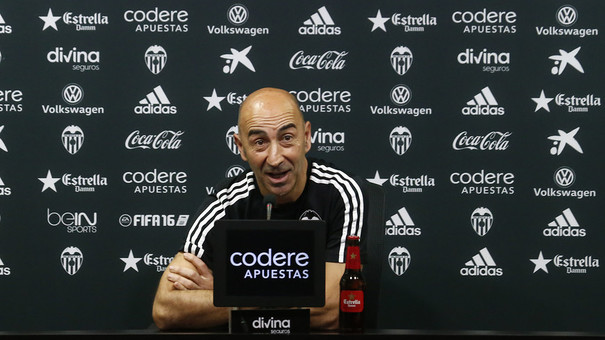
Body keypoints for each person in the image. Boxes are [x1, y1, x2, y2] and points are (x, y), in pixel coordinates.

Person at [152, 87, 368, 331]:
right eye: (259, 142)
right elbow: (166, 308)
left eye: (287, 138)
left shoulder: (341, 192)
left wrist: (230, 293)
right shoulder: (225, 202)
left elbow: (333, 309)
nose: (275, 158)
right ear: (240, 146)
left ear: (306, 137)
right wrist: (251, 300)